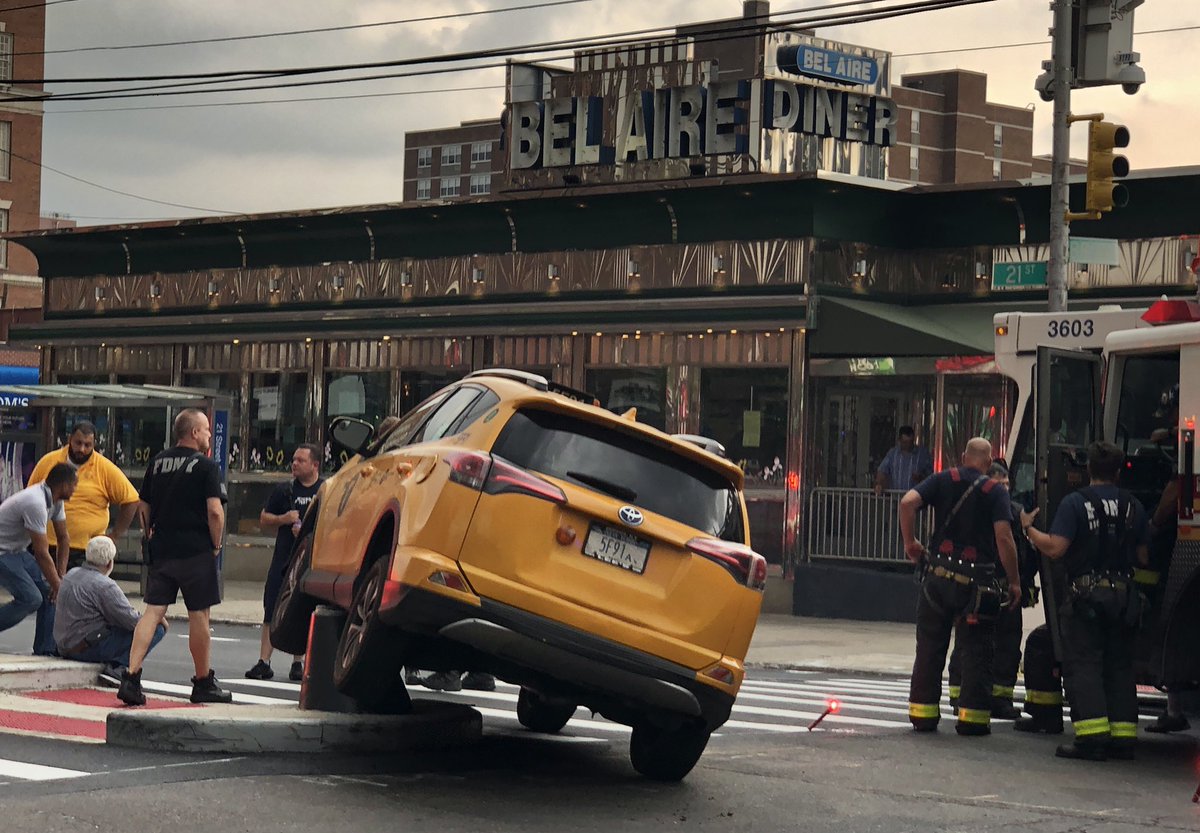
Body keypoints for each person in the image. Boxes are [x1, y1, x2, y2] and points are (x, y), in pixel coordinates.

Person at [1021, 440, 1150, 761]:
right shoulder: (1134, 506)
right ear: (1119, 472)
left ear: (1089, 469)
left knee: (1086, 665)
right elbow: (1143, 557)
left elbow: (1055, 548)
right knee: (1120, 666)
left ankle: (1091, 738)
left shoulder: (1076, 503)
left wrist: (1029, 530)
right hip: (1124, 598)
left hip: (1087, 599)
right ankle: (1123, 739)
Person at [899, 437, 1020, 736]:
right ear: (989, 462)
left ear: (964, 456)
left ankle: (923, 715)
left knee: (929, 647)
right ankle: (973, 720)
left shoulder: (943, 479)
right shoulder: (995, 492)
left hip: (937, 579)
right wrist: (1014, 580)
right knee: (977, 650)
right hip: (976, 587)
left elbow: (907, 502)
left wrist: (910, 542)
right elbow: (1004, 538)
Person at [118, 408, 233, 707]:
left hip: (163, 550)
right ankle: (202, 681)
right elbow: (215, 511)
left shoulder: (157, 463)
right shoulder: (207, 467)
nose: (209, 434)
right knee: (199, 615)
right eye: (206, 429)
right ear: (194, 433)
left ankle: (131, 676)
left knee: (153, 612)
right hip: (195, 550)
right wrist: (216, 545)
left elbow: (143, 507)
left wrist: (150, 535)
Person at [946, 460, 1037, 720]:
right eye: (1000, 484)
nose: (1005, 489)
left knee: (1008, 644)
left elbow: (1021, 551)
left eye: (1008, 484)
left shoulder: (1017, 511)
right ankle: (960, 694)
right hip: (980, 585)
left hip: (1006, 590)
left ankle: (1001, 699)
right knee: (969, 642)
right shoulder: (976, 510)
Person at [247, 443, 323, 682]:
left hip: (311, 560)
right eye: (294, 459)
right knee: (271, 607)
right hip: (283, 559)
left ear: (315, 465)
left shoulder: (325, 491)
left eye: (301, 460)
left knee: (303, 608)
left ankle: (298, 662)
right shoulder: (285, 490)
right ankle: (264, 661)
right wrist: (284, 519)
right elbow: (264, 518)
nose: (295, 464)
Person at [28, 422, 140, 574]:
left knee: (81, 594)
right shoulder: (49, 462)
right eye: (78, 443)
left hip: (86, 550)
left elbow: (131, 499)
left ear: (94, 444)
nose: (82, 449)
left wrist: (113, 536)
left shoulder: (104, 468)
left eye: (88, 445)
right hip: (48, 544)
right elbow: (30, 496)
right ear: (70, 439)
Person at [54, 536, 166, 684]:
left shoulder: (70, 574)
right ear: (109, 563)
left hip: (63, 646)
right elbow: (132, 621)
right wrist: (156, 618)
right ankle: (120, 667)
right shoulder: (105, 586)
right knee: (155, 629)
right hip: (85, 649)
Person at [0, 464, 77, 655]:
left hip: (16, 550)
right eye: (74, 485)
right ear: (63, 485)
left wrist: (60, 577)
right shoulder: (35, 502)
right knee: (32, 598)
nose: (76, 489)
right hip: (2, 552)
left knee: (50, 592)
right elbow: (42, 553)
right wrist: (59, 586)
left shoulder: (56, 501)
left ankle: (45, 650)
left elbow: (63, 538)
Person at [875, 426, 933, 495]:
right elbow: (882, 471)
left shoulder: (923, 454)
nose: (908, 445)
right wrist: (879, 484)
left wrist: (921, 478)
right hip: (896, 499)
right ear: (899, 440)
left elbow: (931, 476)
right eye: (905, 442)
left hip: (916, 499)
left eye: (910, 442)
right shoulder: (892, 454)